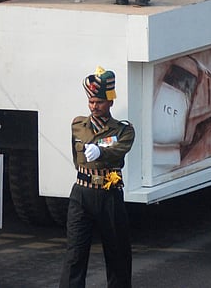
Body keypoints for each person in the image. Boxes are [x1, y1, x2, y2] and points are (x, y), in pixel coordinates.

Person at [61, 68, 134, 288]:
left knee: (117, 254)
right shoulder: (78, 126)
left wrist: (102, 151)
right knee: (75, 254)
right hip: (81, 193)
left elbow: (120, 150)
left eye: (100, 102)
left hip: (108, 194)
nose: (94, 106)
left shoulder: (123, 131)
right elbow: (77, 158)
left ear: (110, 102)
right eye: (91, 101)